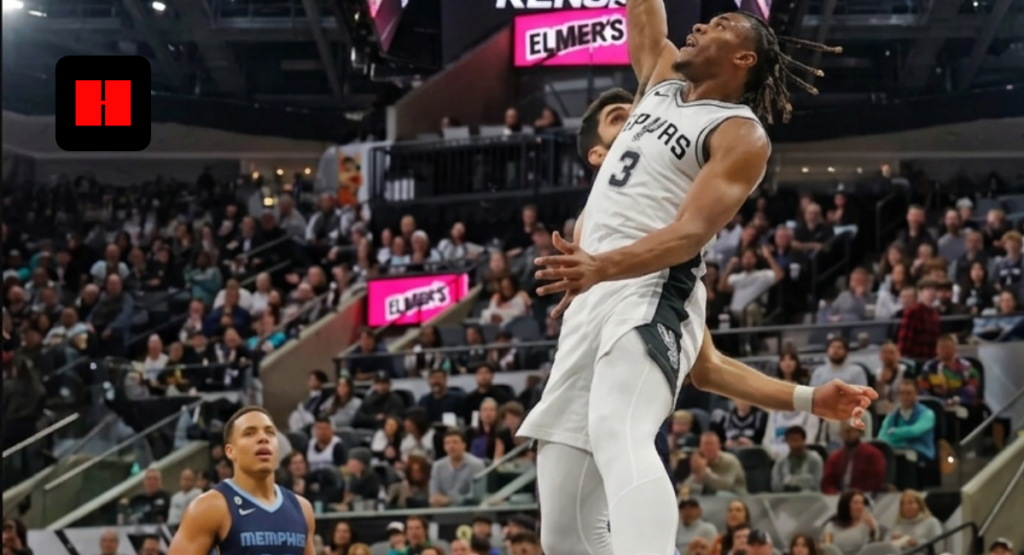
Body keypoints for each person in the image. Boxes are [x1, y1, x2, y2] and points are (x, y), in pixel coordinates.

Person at [519, 6, 870, 555]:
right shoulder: (658, 85)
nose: (699, 25)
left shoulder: (738, 132)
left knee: (619, 429)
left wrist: (603, 267)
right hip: (593, 303)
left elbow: (688, 234)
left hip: (651, 286)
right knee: (563, 533)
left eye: (719, 24)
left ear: (742, 57)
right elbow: (704, 367)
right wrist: (806, 396)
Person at [167, 406, 316, 555]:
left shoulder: (303, 509)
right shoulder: (209, 507)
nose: (263, 438)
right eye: (249, 433)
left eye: (270, 432)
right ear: (230, 451)